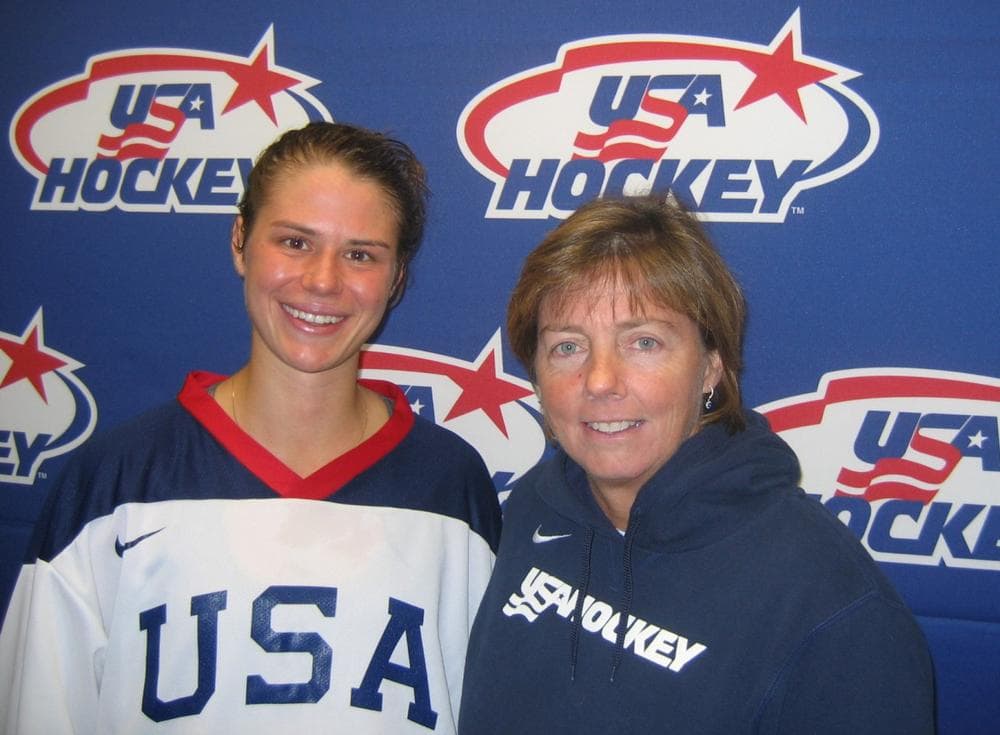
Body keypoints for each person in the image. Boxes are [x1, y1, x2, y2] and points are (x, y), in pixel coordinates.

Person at [0, 121, 501, 734]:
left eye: (361, 254)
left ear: (395, 280)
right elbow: (38, 713)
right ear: (240, 242)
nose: (322, 280)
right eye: (294, 242)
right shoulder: (117, 480)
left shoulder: (450, 486)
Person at [457, 194, 934, 734]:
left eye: (644, 342)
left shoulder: (833, 607)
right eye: (568, 347)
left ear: (711, 368)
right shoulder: (534, 508)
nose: (600, 381)